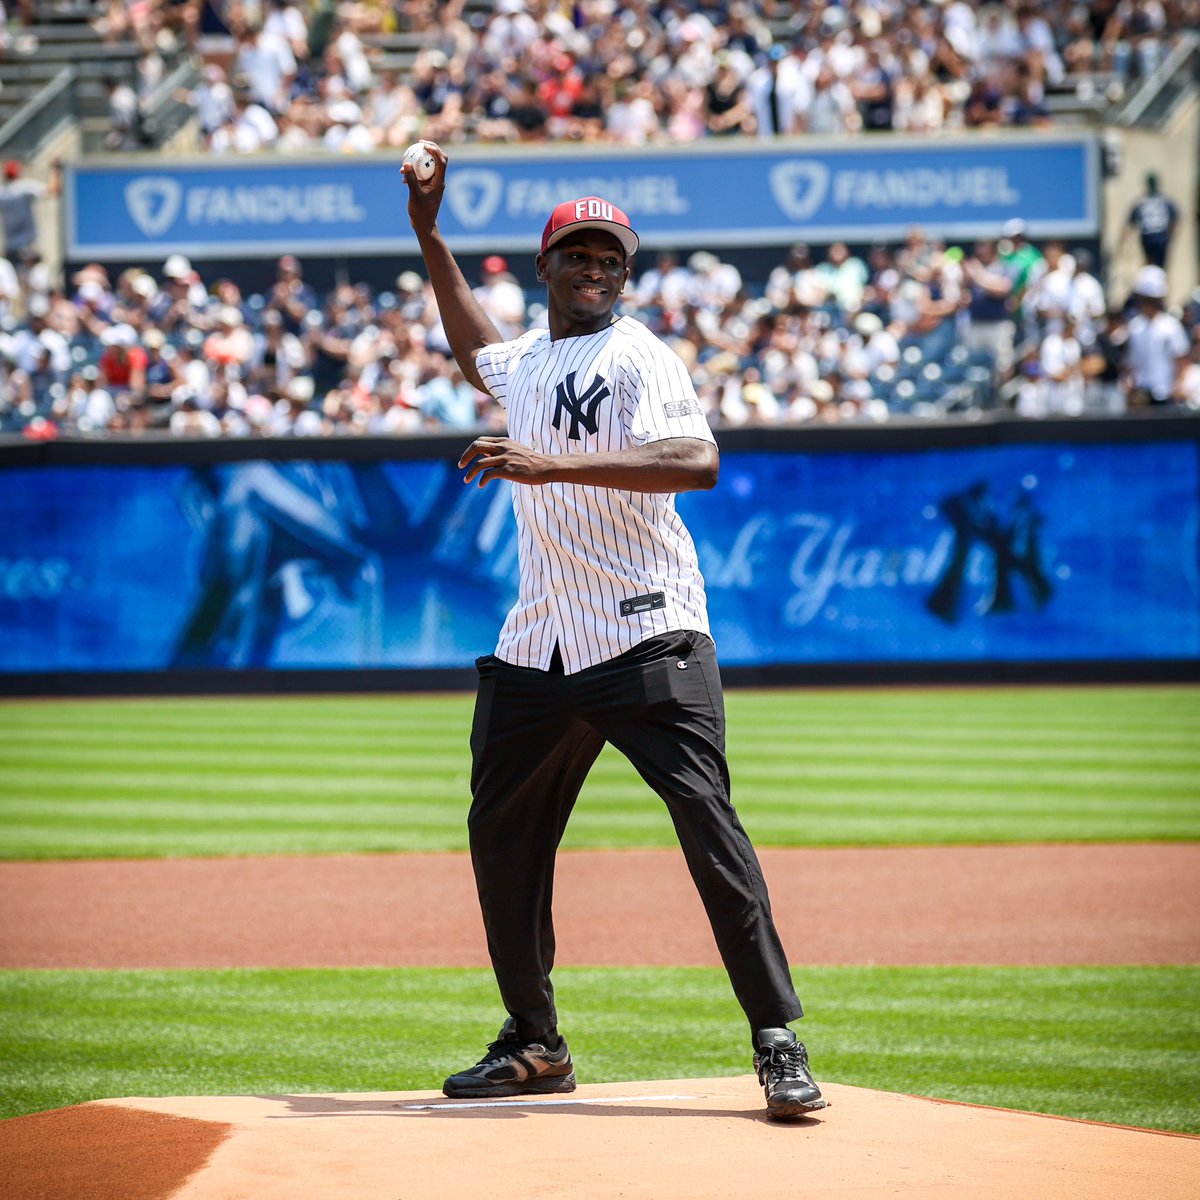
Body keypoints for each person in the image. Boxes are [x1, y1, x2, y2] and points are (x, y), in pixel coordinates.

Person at [401, 143, 824, 1122]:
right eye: (579, 257)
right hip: (538, 644)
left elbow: (697, 460)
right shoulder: (532, 361)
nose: (596, 271)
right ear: (545, 268)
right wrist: (428, 234)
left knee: (707, 825)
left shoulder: (638, 355)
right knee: (499, 839)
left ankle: (776, 1036)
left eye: (612, 261)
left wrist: (549, 468)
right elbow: (475, 351)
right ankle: (536, 1043)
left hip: (648, 640)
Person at [1121, 172, 1179, 271]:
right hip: (1159, 238)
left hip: (1151, 237)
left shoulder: (1142, 202)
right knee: (1157, 267)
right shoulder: (1164, 201)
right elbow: (1175, 220)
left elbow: (1131, 224)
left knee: (1152, 266)